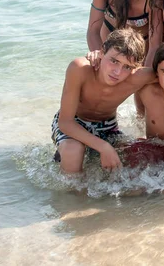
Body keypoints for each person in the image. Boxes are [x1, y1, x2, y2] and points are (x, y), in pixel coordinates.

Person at [51, 29, 158, 173]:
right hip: (74, 123)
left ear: (136, 67)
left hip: (107, 127)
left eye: (127, 67)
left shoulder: (138, 77)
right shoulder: (80, 69)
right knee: (73, 150)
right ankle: (75, 194)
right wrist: (103, 147)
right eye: (114, 61)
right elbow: (65, 122)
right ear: (101, 52)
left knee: (139, 154)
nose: (117, 72)